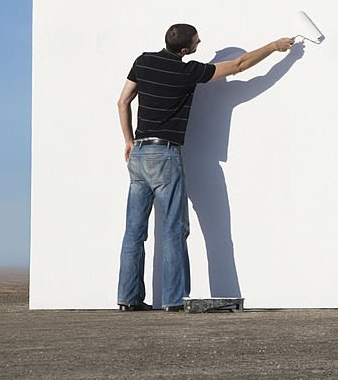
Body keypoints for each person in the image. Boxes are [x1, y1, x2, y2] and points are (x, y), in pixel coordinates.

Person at [115, 23, 293, 311]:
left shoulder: (144, 61)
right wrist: (275, 47)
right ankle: (173, 301)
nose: (201, 42)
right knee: (174, 229)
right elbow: (238, 65)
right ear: (185, 50)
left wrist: (128, 140)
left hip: (139, 154)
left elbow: (123, 101)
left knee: (134, 231)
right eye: (197, 40)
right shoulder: (188, 72)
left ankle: (127, 298)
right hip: (165, 155)